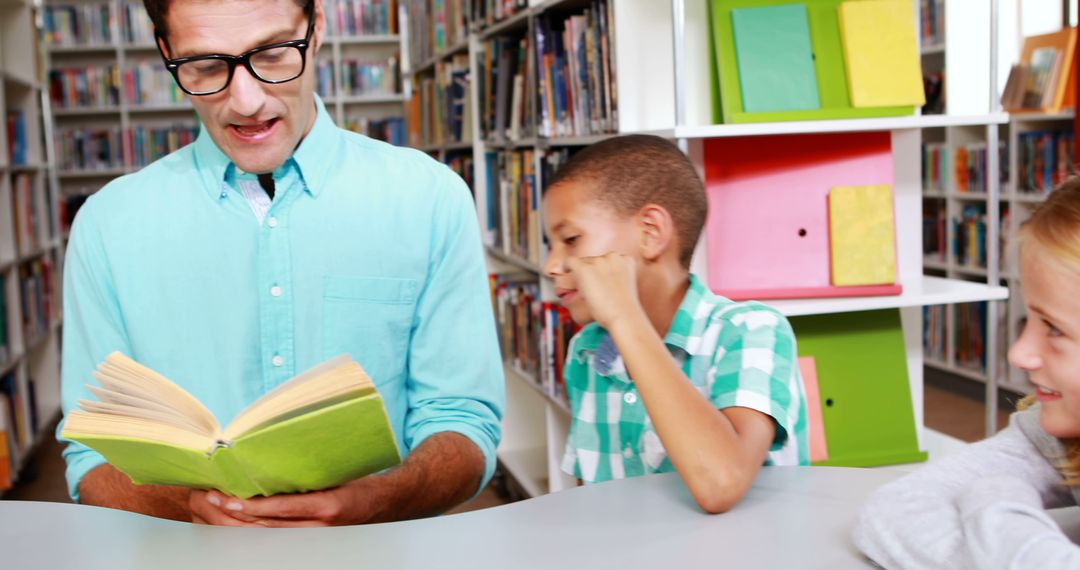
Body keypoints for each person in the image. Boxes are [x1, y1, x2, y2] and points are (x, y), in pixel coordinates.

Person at [58, 0, 504, 527]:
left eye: (272, 54)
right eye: (205, 66)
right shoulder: (108, 223)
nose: (246, 101)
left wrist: (373, 501)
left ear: (315, 30)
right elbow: (91, 457)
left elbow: (464, 425)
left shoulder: (430, 198)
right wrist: (189, 509)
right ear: (166, 52)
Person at [541, 135, 809, 514]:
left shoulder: (751, 332)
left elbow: (721, 482)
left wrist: (624, 317)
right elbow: (593, 498)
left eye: (571, 239)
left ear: (650, 233)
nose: (551, 265)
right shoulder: (586, 352)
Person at [854, 178, 1080, 568]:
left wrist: (995, 497)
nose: (1018, 353)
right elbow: (891, 511)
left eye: (1054, 328)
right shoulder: (1053, 434)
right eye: (1029, 318)